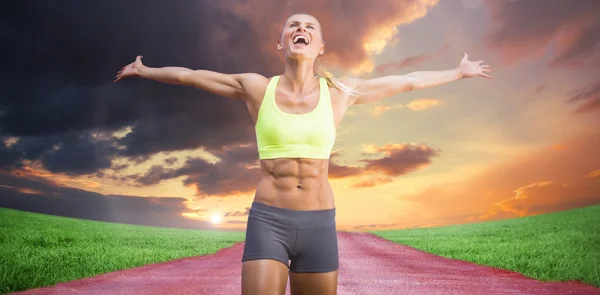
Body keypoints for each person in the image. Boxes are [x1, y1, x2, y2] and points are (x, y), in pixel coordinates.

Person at [114, 12, 492, 295]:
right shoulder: (256, 88)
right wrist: (145, 70)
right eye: (294, 25)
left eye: (310, 27)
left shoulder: (340, 91)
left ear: (320, 46)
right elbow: (191, 75)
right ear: (280, 44)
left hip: (318, 224)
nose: (301, 29)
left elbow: (407, 81)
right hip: (268, 222)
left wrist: (457, 74)